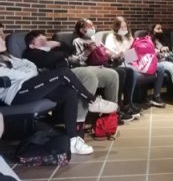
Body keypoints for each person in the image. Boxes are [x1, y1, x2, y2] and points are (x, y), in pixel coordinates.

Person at [0, 23, 118, 155]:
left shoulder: (8, 57)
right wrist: (27, 72)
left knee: (69, 93)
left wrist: (27, 71)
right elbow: (22, 72)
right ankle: (93, 101)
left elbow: (29, 66)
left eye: (2, 35)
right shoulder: (26, 55)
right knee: (63, 73)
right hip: (17, 93)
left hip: (30, 85)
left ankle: (73, 140)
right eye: (0, 36)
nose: (3, 39)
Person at [23, 30, 121, 136]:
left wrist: (58, 43)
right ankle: (79, 122)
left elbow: (71, 50)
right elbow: (50, 59)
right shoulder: (31, 53)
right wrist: (60, 53)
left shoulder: (51, 48)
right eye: (40, 40)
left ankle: (110, 117)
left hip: (74, 68)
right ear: (31, 45)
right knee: (89, 77)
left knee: (112, 75)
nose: (45, 42)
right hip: (63, 75)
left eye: (45, 39)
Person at [102, 17, 166, 108]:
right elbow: (109, 53)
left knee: (160, 67)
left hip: (134, 59)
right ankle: (128, 103)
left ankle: (156, 96)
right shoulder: (111, 37)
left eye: (125, 27)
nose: (124, 29)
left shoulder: (129, 37)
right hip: (121, 61)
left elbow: (136, 49)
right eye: (122, 27)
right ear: (116, 27)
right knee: (133, 71)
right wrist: (119, 54)